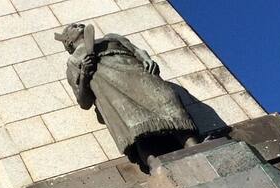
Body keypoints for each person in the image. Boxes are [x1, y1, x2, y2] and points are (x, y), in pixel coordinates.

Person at [55, 23, 199, 172]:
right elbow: (84, 102)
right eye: (73, 27)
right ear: (68, 42)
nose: (79, 25)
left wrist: (146, 59)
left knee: (171, 106)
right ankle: (156, 167)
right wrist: (85, 73)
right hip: (113, 95)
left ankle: (196, 148)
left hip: (141, 77)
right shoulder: (73, 63)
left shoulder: (111, 38)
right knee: (138, 130)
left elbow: (137, 51)